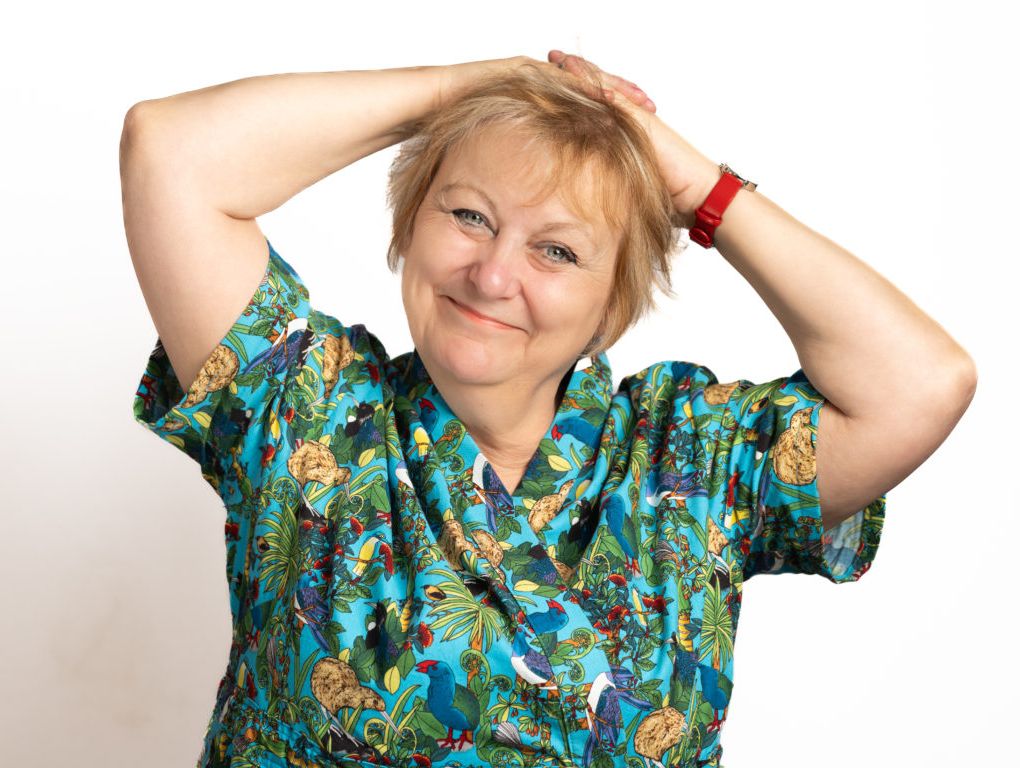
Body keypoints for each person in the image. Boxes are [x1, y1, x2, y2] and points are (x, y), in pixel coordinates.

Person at [122, 51, 976, 768]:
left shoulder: (692, 463)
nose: (493, 276)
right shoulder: (306, 415)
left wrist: (695, 186)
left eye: (558, 250)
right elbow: (169, 152)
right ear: (409, 228)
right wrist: (466, 93)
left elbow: (921, 384)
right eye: (468, 214)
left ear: (612, 309)